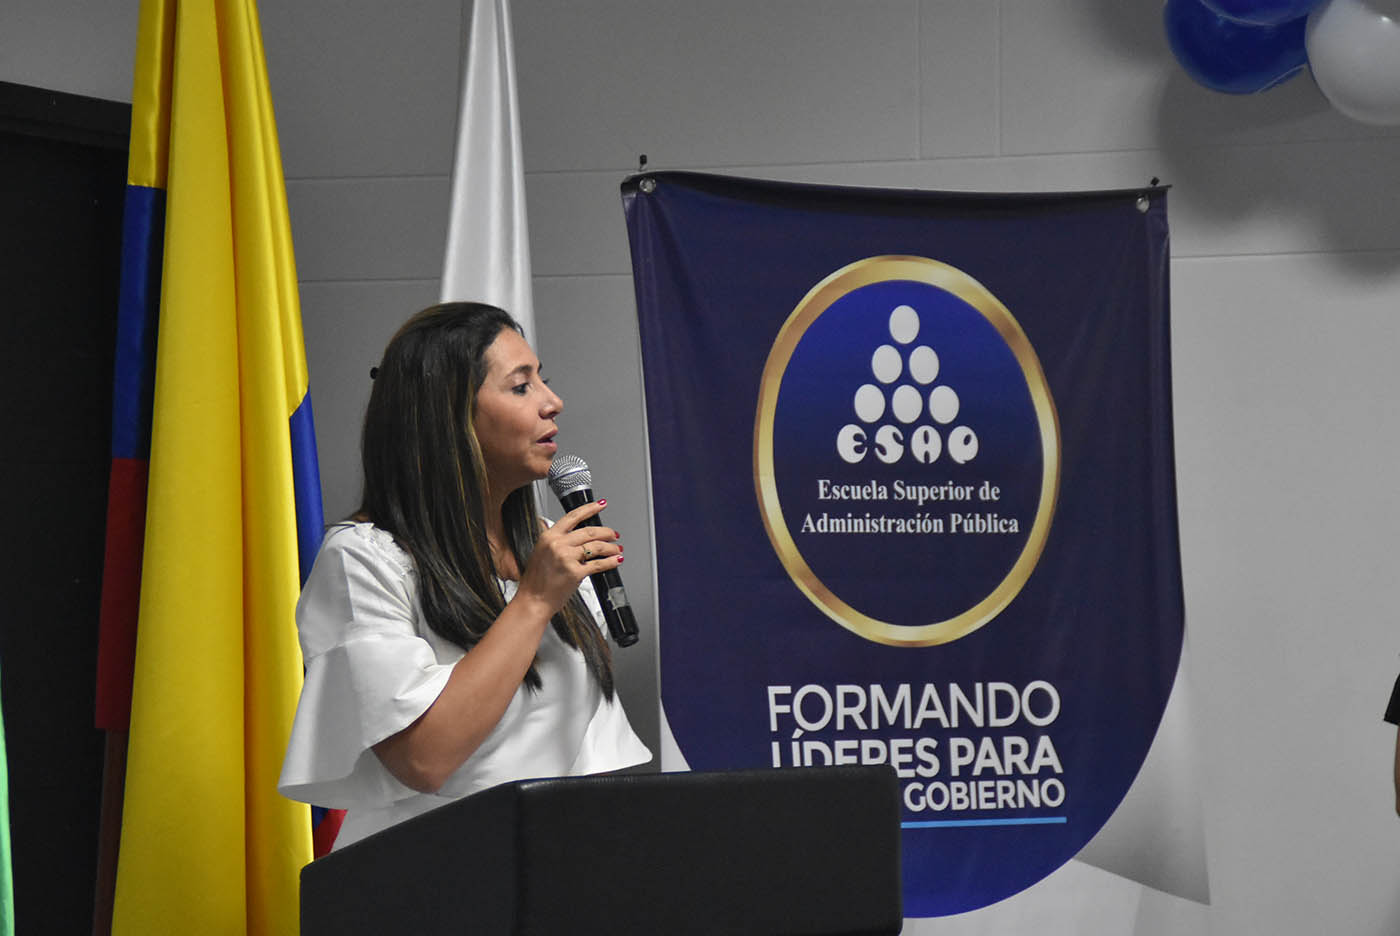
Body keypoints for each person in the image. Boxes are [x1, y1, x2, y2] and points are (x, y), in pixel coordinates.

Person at [278, 302, 651, 849]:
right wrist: (534, 601)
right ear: (447, 417)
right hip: (429, 870)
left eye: (543, 380)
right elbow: (423, 759)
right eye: (521, 386)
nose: (553, 402)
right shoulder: (365, 559)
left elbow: (578, 750)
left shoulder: (548, 548)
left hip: (554, 859)